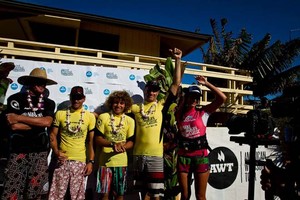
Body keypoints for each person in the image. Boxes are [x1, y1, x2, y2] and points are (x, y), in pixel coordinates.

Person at [131, 47, 183, 200]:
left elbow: (176, 83)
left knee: (156, 195)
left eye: (155, 90)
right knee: (141, 193)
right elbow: (116, 108)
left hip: (155, 156)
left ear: (157, 92)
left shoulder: (161, 105)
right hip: (137, 156)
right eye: (149, 89)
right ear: (144, 90)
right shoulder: (135, 107)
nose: (152, 93)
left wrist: (178, 60)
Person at [1, 68, 57, 200]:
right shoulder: (15, 99)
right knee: (12, 191)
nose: (42, 85)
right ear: (30, 82)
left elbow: (47, 122)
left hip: (40, 152)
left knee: (35, 192)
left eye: (44, 83)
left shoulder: (49, 103)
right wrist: (38, 124)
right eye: (38, 82)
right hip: (18, 151)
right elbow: (13, 125)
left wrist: (19, 117)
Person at [175, 76, 227, 200]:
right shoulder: (178, 114)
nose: (194, 99)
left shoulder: (203, 112)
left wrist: (207, 83)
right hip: (184, 158)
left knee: (200, 196)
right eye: (192, 96)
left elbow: (222, 98)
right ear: (186, 97)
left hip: (201, 157)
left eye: (197, 97)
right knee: (185, 196)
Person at [49, 86, 96, 200]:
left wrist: (91, 161)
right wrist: (56, 151)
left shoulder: (89, 116)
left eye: (79, 98)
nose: (76, 100)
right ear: (70, 97)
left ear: (84, 99)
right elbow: (52, 135)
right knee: (57, 195)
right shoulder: (60, 113)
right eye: (74, 97)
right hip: (62, 160)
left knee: (77, 196)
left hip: (80, 161)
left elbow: (91, 142)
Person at [94, 90, 134, 200]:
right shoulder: (103, 117)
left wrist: (122, 147)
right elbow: (97, 139)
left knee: (119, 195)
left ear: (125, 105)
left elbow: (131, 142)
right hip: (105, 163)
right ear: (111, 103)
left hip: (121, 163)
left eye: (121, 103)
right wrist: (112, 144)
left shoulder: (130, 120)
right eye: (116, 102)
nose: (118, 105)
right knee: (104, 195)